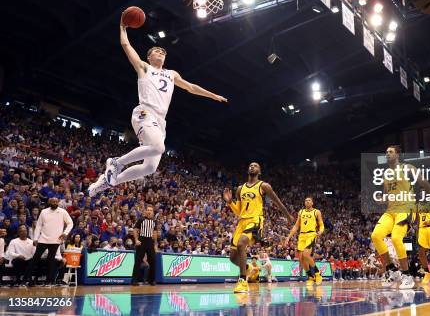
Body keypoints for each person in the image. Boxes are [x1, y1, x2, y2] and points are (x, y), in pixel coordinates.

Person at [88, 19, 227, 196]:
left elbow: (190, 87)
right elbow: (125, 45)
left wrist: (213, 95)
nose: (161, 52)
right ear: (149, 56)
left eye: (163, 51)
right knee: (159, 147)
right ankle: (117, 163)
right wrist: (123, 28)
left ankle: (109, 181)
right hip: (145, 112)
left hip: (160, 121)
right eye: (156, 50)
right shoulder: (144, 67)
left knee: (150, 167)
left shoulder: (171, 74)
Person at [223, 162, 294, 293]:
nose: (252, 167)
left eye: (255, 166)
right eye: (250, 165)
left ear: (259, 172)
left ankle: (242, 281)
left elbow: (277, 202)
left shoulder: (263, 186)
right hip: (242, 222)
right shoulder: (240, 189)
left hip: (255, 220)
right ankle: (249, 268)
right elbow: (239, 211)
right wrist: (229, 202)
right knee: (233, 257)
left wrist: (288, 216)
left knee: (241, 244)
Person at [370, 145, 430, 290]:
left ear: (397, 154)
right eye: (386, 152)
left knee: (396, 238)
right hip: (391, 210)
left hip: (407, 208)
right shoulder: (386, 173)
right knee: (376, 236)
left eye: (390, 152)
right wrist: (382, 198)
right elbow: (387, 193)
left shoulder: (408, 168)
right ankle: (393, 269)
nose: (387, 154)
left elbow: (423, 183)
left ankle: (407, 276)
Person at [26, 197, 73, 287]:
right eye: (53, 201)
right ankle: (26, 279)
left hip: (55, 240)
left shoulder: (63, 212)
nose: (54, 203)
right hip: (43, 239)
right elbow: (39, 226)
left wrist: (65, 233)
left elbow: (70, 223)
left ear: (58, 202)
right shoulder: (44, 211)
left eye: (56, 201)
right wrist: (35, 238)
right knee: (35, 259)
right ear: (50, 202)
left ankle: (49, 281)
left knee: (51, 261)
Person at [285, 197, 325, 285]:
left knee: (306, 254)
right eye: (306, 200)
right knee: (301, 258)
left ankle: (318, 274)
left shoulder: (316, 212)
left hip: (311, 234)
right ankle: (310, 276)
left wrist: (320, 232)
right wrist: (289, 237)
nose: (307, 201)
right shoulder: (301, 212)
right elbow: (296, 226)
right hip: (302, 235)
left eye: (309, 200)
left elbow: (321, 225)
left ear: (312, 203)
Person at [131, 205, 157, 286]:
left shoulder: (154, 221)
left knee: (152, 261)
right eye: (148, 210)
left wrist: (155, 244)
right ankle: (134, 280)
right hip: (142, 240)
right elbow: (135, 230)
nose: (149, 211)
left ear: (153, 212)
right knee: (138, 261)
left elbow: (155, 233)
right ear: (146, 211)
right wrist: (136, 240)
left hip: (150, 241)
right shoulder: (141, 219)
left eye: (151, 210)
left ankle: (151, 280)